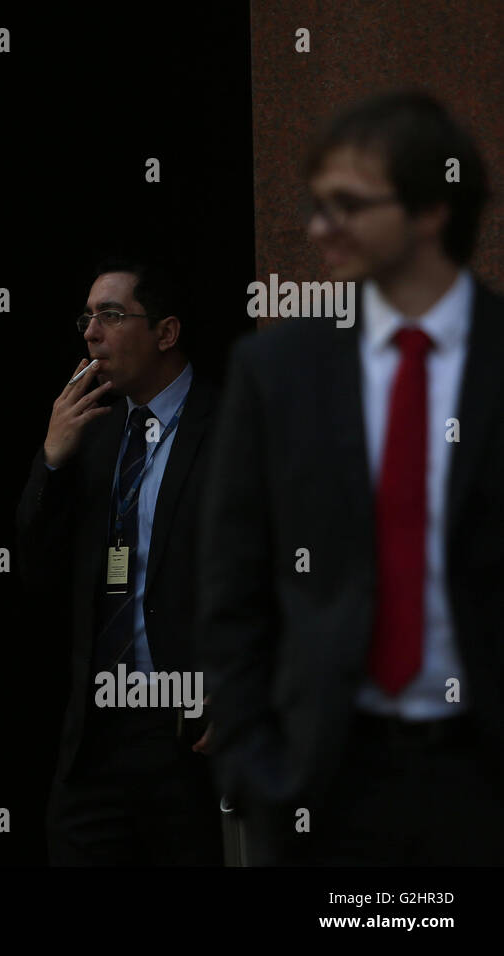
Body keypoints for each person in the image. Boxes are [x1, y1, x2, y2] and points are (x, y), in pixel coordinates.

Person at [197, 90, 504, 864]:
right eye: (316, 204)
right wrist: (255, 767)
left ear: (431, 211)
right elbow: (233, 585)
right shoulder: (277, 371)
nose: (318, 228)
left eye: (348, 206)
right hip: (325, 785)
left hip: (485, 782)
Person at [15, 256, 223, 865]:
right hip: (98, 736)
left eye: (111, 315)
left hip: (190, 730)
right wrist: (50, 460)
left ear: (166, 333)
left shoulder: (233, 423)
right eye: (87, 317)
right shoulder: (91, 431)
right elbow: (38, 571)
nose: (90, 331)